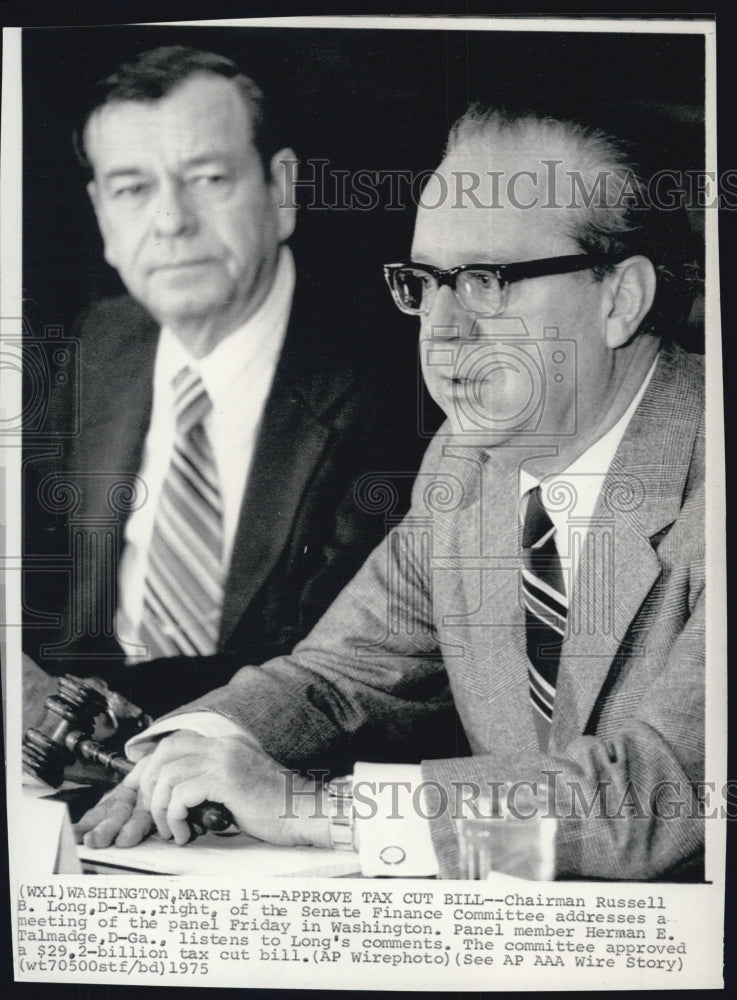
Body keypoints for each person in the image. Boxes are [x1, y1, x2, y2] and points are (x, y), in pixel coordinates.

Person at [75, 105, 706, 881]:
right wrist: (195, 753)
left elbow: (656, 798)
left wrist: (315, 809)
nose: (439, 331)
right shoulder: (466, 462)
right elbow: (341, 675)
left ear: (620, 299)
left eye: (484, 282)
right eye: (424, 282)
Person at [22, 46, 436, 727]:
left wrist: (62, 706)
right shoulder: (89, 348)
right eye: (133, 189)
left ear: (280, 189)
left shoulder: (397, 387)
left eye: (208, 178)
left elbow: (339, 673)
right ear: (101, 215)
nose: (171, 221)